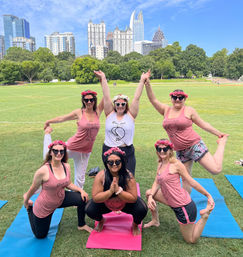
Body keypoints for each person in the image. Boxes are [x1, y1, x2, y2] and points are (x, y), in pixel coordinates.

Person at [144, 71, 228, 192]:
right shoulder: (166, 110)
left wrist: (219, 134)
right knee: (185, 178)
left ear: (184, 99)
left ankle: (222, 144)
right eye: (175, 97)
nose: (177, 99)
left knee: (215, 170)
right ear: (171, 98)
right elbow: (153, 100)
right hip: (180, 150)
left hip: (194, 145)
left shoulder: (189, 110)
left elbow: (203, 124)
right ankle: (187, 203)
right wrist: (147, 83)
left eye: (180, 97)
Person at [144, 139, 215, 243]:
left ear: (170, 150)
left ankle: (205, 216)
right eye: (159, 149)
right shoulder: (161, 163)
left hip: (183, 206)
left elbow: (191, 182)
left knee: (191, 240)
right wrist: (150, 197)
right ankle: (155, 221)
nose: (162, 151)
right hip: (170, 200)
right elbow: (156, 182)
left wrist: (208, 195)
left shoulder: (176, 164)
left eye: (165, 149)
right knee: (149, 192)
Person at [23, 140, 92, 239]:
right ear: (50, 152)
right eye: (55, 151)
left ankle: (81, 225)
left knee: (83, 199)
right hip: (45, 206)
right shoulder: (43, 171)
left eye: (61, 151)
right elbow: (33, 188)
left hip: (61, 198)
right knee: (40, 235)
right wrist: (26, 201)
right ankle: (30, 209)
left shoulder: (66, 166)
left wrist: (81, 190)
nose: (58, 153)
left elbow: (68, 183)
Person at [44, 89, 103, 188]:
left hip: (85, 151)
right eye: (86, 100)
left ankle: (78, 200)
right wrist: (48, 121)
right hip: (72, 147)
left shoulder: (98, 111)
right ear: (83, 101)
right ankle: (48, 187)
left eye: (91, 100)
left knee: (80, 178)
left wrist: (103, 80)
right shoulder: (79, 112)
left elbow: (106, 95)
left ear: (95, 100)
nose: (89, 102)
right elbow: (62, 118)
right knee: (49, 159)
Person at [94, 70, 148, 175]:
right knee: (111, 176)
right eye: (117, 104)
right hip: (109, 149)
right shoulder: (109, 113)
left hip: (126, 150)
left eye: (123, 104)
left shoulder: (130, 115)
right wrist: (103, 78)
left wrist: (142, 81)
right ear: (114, 105)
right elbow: (106, 96)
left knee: (128, 176)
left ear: (126, 104)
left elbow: (136, 98)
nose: (120, 106)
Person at [85, 147, 148, 235]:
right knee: (89, 209)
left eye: (117, 161)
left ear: (122, 162)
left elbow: (133, 198)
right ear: (106, 163)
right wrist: (110, 191)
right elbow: (96, 198)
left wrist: (119, 191)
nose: (114, 164)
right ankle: (101, 220)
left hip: (125, 204)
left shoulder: (128, 176)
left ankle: (135, 224)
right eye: (111, 162)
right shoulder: (100, 176)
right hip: (106, 205)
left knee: (142, 209)